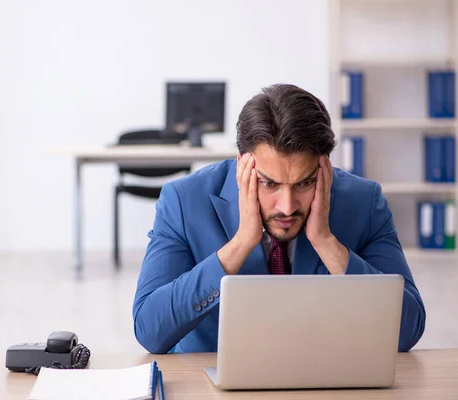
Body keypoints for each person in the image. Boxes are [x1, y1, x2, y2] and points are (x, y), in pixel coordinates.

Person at [132, 83, 426, 354]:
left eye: (304, 183)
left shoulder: (364, 202)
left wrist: (326, 243)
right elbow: (150, 330)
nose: (286, 207)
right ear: (242, 165)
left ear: (325, 167)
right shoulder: (184, 202)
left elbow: (408, 330)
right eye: (269, 183)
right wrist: (239, 246)